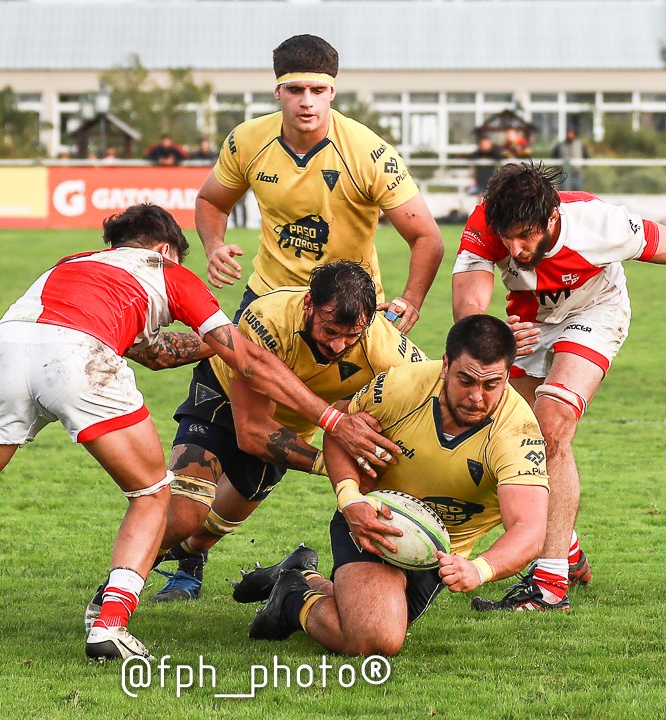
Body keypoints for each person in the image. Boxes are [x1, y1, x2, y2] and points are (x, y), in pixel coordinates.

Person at [0, 204, 398, 662]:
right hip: (78, 356)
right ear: (166, 248)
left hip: (6, 348)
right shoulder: (170, 273)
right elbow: (249, 361)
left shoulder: (71, 265)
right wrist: (331, 419)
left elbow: (157, 352)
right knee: (151, 494)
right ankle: (110, 622)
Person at [451, 163, 666, 610]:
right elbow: (468, 308)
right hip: (527, 323)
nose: (515, 248)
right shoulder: (484, 223)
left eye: (525, 235)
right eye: (505, 237)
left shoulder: (599, 225)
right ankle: (564, 544)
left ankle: (548, 586)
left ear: (551, 218)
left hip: (594, 314)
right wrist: (496, 332)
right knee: (518, 440)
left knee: (552, 426)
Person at [236, 314, 549, 655]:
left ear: (507, 376)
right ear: (445, 366)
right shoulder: (402, 387)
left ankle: (297, 581)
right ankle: (292, 602)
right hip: (372, 520)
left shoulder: (517, 431)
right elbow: (341, 432)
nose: (477, 397)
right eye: (466, 380)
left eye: (491, 385)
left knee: (367, 623)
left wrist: (480, 568)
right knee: (374, 640)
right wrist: (350, 498)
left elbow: (530, 528)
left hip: (435, 553)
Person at [138, 261, 418, 604]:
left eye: (351, 336)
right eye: (330, 331)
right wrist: (333, 464)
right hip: (224, 397)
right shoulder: (269, 317)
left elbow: (432, 388)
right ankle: (115, 591)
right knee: (184, 514)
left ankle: (246, 567)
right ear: (308, 305)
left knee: (203, 534)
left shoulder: (386, 348)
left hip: (290, 427)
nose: (338, 345)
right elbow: (252, 432)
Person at [197, 34, 444, 332]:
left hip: (349, 303)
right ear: (278, 91)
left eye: (317, 90)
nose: (306, 102)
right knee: (218, 375)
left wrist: (411, 300)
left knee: (386, 379)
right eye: (295, 90)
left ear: (332, 93)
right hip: (269, 296)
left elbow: (426, 237)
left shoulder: (369, 152)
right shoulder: (246, 140)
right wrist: (214, 245)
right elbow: (211, 201)